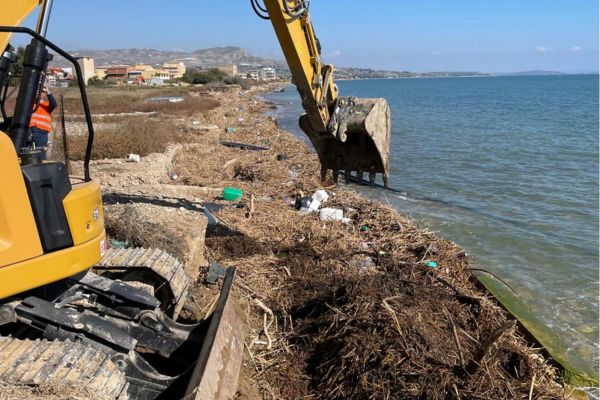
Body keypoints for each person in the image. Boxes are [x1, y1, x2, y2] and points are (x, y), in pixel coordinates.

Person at [29, 83, 56, 159]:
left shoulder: (46, 105)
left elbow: (54, 103)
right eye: (37, 91)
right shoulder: (29, 104)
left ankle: (41, 165)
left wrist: (48, 92)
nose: (38, 93)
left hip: (41, 133)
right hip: (29, 131)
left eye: (40, 92)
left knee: (40, 152)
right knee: (27, 151)